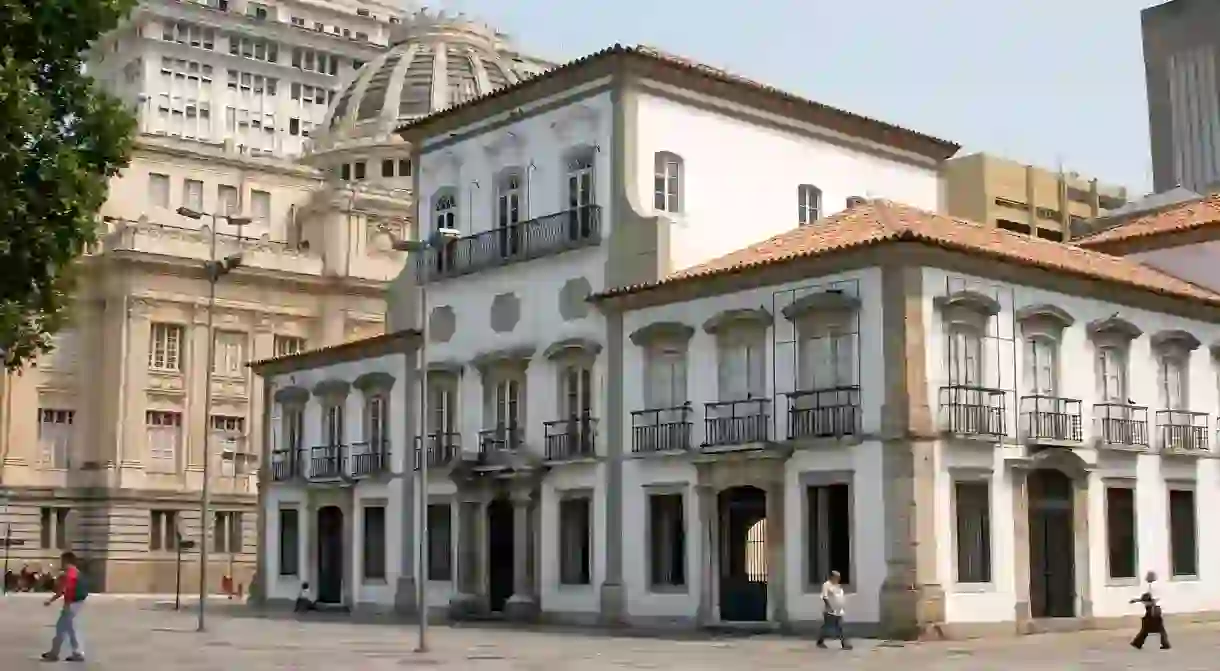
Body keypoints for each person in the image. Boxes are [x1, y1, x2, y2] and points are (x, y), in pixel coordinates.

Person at [41, 551, 87, 662]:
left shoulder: (71, 574)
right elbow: (62, 590)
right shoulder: (73, 572)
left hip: (73, 603)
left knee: (70, 628)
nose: (61, 563)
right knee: (62, 627)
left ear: (66, 561)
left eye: (62, 561)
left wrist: (66, 605)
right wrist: (51, 600)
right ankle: (55, 652)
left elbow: (68, 590)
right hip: (75, 602)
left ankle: (77, 652)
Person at [1130, 570, 1170, 650]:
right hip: (1153, 609)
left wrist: (1140, 601)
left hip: (1153, 610)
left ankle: (1138, 642)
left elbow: (1152, 600)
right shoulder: (1151, 586)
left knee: (1150, 628)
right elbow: (1146, 598)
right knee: (1153, 628)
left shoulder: (1154, 587)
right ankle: (1138, 642)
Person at [816, 570, 852, 650]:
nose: (839, 578)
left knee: (839, 626)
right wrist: (829, 607)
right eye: (837, 577)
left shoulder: (837, 586)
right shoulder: (827, 585)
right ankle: (843, 643)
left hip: (838, 611)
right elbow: (824, 597)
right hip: (830, 611)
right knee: (830, 627)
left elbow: (839, 596)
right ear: (832, 577)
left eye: (839, 577)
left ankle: (821, 641)